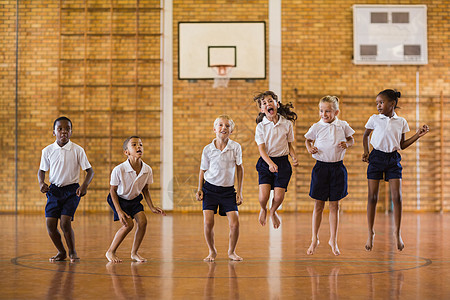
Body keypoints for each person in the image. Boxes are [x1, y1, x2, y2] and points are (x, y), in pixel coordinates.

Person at [362, 89, 429, 251]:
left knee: (397, 197)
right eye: (377, 103)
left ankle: (397, 232)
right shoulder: (374, 119)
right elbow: (365, 136)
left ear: (392, 104)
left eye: (381, 102)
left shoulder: (401, 122)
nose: (378, 105)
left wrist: (417, 135)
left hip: (393, 159)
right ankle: (370, 232)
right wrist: (366, 152)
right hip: (376, 158)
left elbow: (402, 145)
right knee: (372, 197)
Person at [38, 116, 94, 262]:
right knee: (50, 225)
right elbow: (42, 170)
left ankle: (72, 251)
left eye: (67, 129)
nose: (64, 132)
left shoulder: (77, 150)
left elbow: (90, 171)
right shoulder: (47, 150)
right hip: (54, 191)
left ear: (71, 132)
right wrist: (41, 183)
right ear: (54, 132)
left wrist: (84, 185)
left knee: (64, 222)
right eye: (60, 129)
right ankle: (61, 252)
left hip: (72, 191)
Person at [304, 96, 355, 256]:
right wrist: (309, 148)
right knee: (318, 205)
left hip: (337, 168)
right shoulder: (316, 126)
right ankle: (314, 238)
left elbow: (351, 139)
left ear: (336, 112)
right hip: (321, 168)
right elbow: (307, 140)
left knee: (335, 205)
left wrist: (348, 144)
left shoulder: (343, 125)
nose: (324, 114)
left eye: (327, 111)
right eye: (321, 111)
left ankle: (333, 239)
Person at [106, 136, 165, 263]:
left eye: (140, 145)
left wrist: (152, 207)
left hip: (134, 199)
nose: (139, 147)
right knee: (128, 225)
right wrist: (119, 211)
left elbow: (145, 190)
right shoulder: (119, 169)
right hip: (118, 199)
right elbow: (112, 191)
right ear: (126, 152)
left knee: (143, 222)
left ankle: (134, 253)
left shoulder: (147, 170)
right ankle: (111, 251)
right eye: (134, 145)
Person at [196, 115, 244, 261]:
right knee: (208, 222)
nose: (224, 128)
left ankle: (231, 251)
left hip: (228, 191)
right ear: (214, 129)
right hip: (209, 189)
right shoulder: (208, 149)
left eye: (227, 126)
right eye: (221, 125)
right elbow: (202, 170)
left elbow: (240, 169)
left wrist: (239, 192)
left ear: (231, 131)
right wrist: (199, 189)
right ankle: (212, 251)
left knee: (235, 223)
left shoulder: (235, 147)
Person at [254, 91, 298, 229]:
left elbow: (289, 144)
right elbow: (261, 149)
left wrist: (294, 156)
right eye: (264, 103)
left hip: (282, 162)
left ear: (277, 104)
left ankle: (273, 211)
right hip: (266, 161)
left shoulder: (286, 124)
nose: (268, 104)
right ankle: (264, 208)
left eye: (270, 101)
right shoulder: (261, 126)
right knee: (263, 197)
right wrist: (270, 164)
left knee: (279, 197)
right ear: (262, 110)